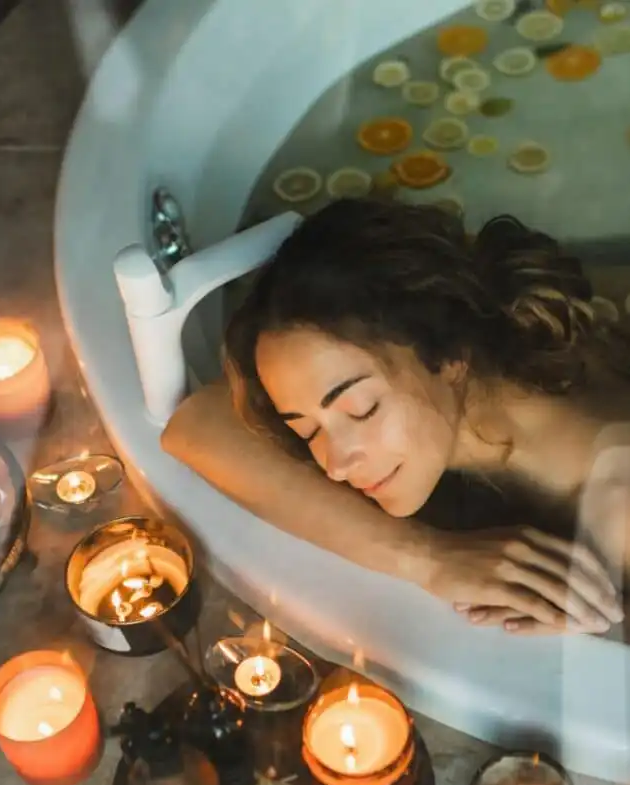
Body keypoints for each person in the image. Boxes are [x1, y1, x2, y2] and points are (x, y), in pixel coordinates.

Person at [162, 197, 627, 636]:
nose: (335, 465)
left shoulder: (614, 505)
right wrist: (428, 558)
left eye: (361, 409)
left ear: (449, 354)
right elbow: (197, 423)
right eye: (305, 429)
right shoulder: (493, 385)